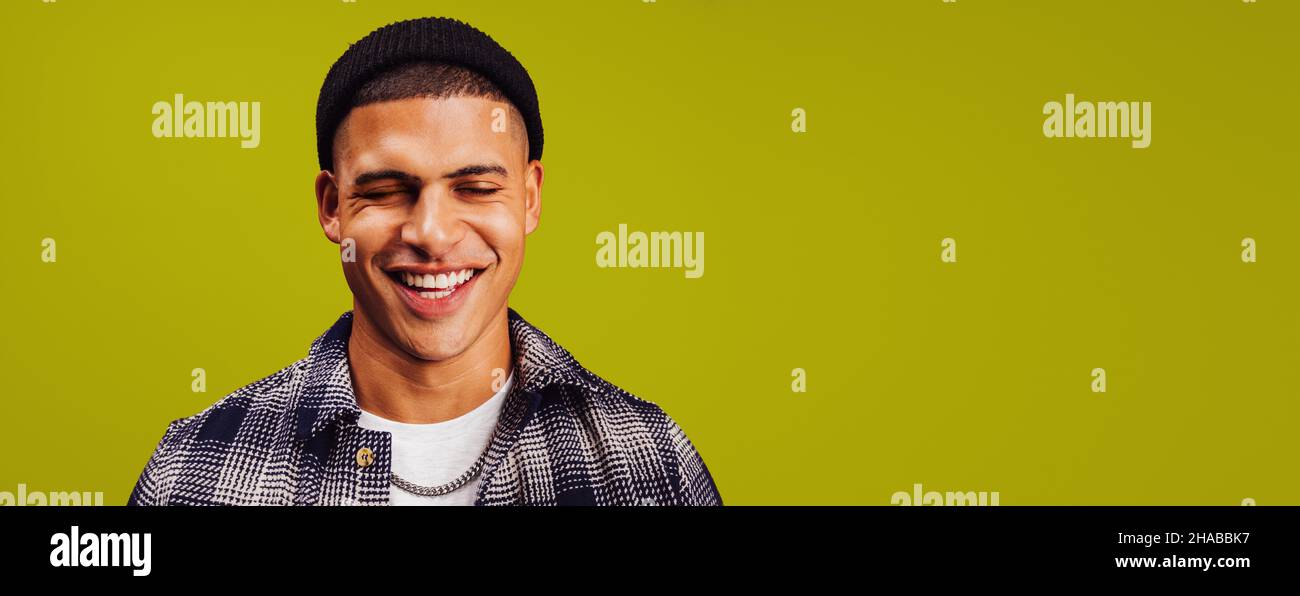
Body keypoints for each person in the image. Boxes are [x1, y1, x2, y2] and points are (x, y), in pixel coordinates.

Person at [127, 16, 722, 506]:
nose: (432, 235)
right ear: (332, 207)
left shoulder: (649, 465)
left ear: (530, 199)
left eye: (477, 188)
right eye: (386, 191)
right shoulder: (194, 470)